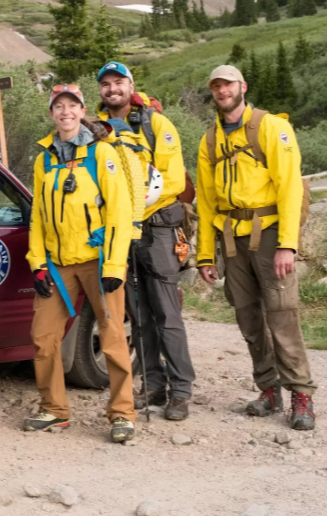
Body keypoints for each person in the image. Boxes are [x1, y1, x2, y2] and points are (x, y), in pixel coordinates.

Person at [196, 65, 317, 430]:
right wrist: (205, 254)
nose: (222, 91)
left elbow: (290, 187)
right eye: (216, 86)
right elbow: (206, 203)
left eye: (228, 84)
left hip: (270, 233)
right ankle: (268, 389)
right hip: (231, 239)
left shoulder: (271, 127)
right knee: (248, 318)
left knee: (282, 315)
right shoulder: (209, 140)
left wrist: (287, 245)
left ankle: (301, 395)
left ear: (242, 87)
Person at [25, 84, 136, 442]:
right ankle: (54, 410)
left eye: (72, 105)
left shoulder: (101, 154)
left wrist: (115, 266)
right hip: (57, 265)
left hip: (98, 261)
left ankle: (122, 415)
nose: (66, 112)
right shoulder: (44, 159)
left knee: (112, 337)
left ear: (82, 110)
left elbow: (119, 212)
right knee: (43, 337)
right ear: (51, 113)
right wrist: (37, 263)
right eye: (59, 106)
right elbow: (38, 216)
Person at [95, 61, 196, 421]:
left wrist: (136, 202)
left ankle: (181, 390)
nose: (112, 89)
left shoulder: (156, 124)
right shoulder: (96, 129)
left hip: (157, 227)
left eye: (118, 82)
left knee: (167, 313)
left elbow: (173, 180)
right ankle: (153, 385)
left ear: (131, 85)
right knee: (138, 315)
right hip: (120, 232)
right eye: (106, 84)